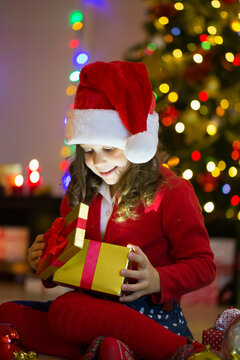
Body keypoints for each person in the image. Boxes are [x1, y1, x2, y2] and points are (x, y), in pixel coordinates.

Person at [0, 61, 216, 360]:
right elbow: (74, 264)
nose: (98, 162)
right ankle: (110, 348)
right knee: (8, 313)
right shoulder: (81, 191)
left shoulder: (172, 191)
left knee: (65, 311)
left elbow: (204, 265)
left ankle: (180, 351)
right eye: (88, 151)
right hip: (91, 310)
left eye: (109, 149)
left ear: (137, 142)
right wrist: (46, 262)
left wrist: (157, 280)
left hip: (147, 314)